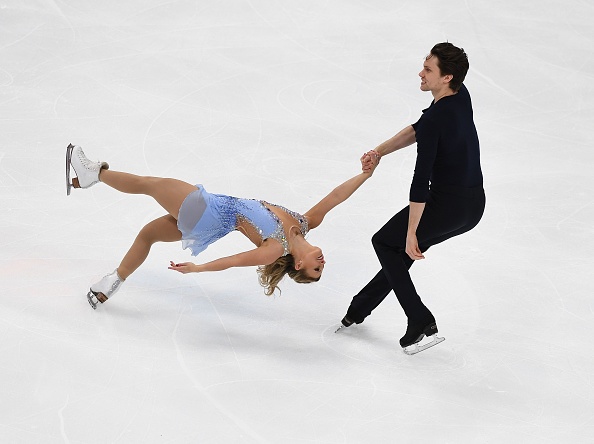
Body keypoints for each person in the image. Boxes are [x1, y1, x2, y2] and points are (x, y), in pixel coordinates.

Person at [65, 143, 378, 309]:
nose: (322, 264)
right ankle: (111, 284)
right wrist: (365, 175)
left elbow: (233, 262)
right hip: (209, 223)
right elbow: (336, 196)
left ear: (298, 264)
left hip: (208, 211)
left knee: (150, 184)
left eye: (315, 270)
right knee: (148, 235)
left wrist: (198, 269)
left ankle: (93, 174)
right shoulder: (303, 223)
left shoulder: (274, 249)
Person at [337, 42, 486, 354]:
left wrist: (410, 233)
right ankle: (359, 308)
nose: (421, 73)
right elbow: (419, 128)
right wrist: (379, 152)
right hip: (473, 207)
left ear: (446, 78)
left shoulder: (436, 120)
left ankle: (419, 319)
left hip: (447, 206)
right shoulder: (460, 95)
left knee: (386, 242)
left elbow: (420, 183)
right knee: (400, 252)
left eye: (428, 70)